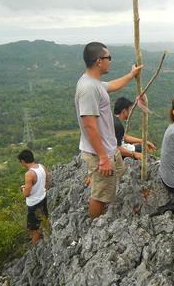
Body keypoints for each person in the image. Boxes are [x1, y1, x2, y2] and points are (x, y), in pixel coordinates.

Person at [75, 42, 142, 219]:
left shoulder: (94, 83)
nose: (110, 61)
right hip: (101, 153)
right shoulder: (88, 88)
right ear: (99, 61)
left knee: (111, 182)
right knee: (100, 196)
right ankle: (94, 226)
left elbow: (111, 85)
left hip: (109, 150)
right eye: (108, 58)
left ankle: (101, 192)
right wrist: (103, 158)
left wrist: (131, 75)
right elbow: (89, 125)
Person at [18, 149, 51, 245]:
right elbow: (48, 178)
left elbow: (26, 194)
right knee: (43, 219)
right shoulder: (41, 166)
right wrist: (44, 188)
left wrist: (22, 189)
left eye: (20, 162)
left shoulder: (29, 174)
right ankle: (47, 235)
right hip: (43, 198)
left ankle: (35, 245)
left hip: (33, 204)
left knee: (34, 227)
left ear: (23, 161)